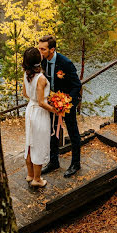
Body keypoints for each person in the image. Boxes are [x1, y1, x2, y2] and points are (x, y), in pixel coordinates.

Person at [38, 35, 82, 178]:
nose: (40, 52)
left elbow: (77, 85)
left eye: (43, 49)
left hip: (67, 103)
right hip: (51, 104)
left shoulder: (66, 63)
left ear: (52, 49)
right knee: (52, 132)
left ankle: (76, 163)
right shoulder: (42, 62)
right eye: (39, 48)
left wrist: (67, 103)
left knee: (73, 132)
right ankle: (53, 161)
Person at [22, 47, 55, 188]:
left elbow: (25, 94)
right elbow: (42, 103)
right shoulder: (40, 78)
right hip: (39, 113)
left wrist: (34, 98)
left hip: (30, 109)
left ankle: (30, 175)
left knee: (30, 143)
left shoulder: (26, 74)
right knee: (39, 144)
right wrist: (55, 109)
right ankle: (37, 179)